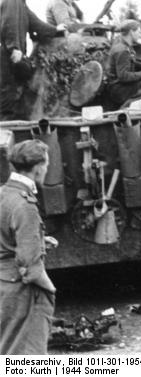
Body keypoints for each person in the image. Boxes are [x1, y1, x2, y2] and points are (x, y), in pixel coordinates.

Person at [0, 139, 58, 355]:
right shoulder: (26, 205)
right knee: (29, 356)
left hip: (4, 284)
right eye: (47, 165)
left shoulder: (4, 194)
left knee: (8, 350)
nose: (47, 170)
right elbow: (30, 267)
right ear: (38, 168)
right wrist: (49, 288)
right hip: (23, 291)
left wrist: (39, 240)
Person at [0, 0, 66, 120]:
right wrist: (14, 48)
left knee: (18, 92)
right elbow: (8, 25)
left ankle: (17, 129)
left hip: (15, 54)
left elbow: (36, 23)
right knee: (8, 93)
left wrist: (56, 30)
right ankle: (5, 131)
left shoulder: (21, 2)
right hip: (9, 54)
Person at [106, 19, 141, 108]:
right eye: (139, 31)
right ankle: (125, 108)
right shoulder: (123, 50)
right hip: (118, 90)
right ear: (132, 32)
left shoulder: (122, 46)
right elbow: (123, 76)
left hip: (118, 87)